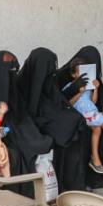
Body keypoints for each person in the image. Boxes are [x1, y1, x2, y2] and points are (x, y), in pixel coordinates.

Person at [0, 50, 51, 197]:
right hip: (0, 135)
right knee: (19, 152)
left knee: (42, 143)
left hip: (15, 129)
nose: (11, 76)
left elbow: (21, 115)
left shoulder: (15, 90)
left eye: (14, 71)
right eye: (8, 72)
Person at [17, 48, 88, 194]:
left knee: (75, 124)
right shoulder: (22, 84)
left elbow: (57, 100)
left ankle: (74, 183)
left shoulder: (47, 79)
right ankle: (66, 184)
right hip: (33, 127)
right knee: (68, 130)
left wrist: (74, 88)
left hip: (48, 120)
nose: (52, 71)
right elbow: (30, 111)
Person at [63, 60, 103, 175]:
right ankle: (95, 158)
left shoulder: (88, 87)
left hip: (93, 112)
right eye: (79, 72)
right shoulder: (69, 87)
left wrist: (95, 88)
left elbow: (93, 101)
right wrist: (79, 92)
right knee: (97, 129)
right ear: (74, 74)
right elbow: (68, 103)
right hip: (81, 114)